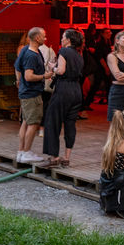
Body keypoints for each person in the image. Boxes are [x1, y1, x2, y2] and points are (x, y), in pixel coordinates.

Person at [42, 29, 85, 167]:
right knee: (70, 123)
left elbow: (61, 71)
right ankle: (66, 157)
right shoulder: (79, 55)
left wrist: (52, 68)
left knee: (52, 121)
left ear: (68, 40)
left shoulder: (64, 52)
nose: (61, 39)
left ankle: (54, 157)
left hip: (63, 89)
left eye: (63, 37)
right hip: (76, 90)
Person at [14, 27, 53, 163]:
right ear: (37, 38)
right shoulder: (31, 55)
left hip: (25, 92)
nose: (45, 38)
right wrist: (44, 76)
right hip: (32, 94)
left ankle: (21, 151)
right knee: (33, 123)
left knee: (25, 122)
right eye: (44, 36)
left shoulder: (25, 50)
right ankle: (26, 153)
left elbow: (17, 68)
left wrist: (19, 81)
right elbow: (29, 76)